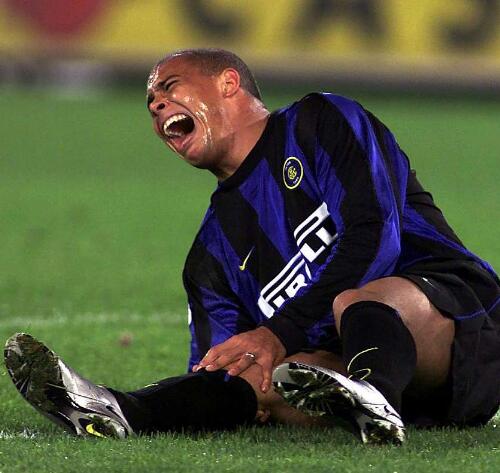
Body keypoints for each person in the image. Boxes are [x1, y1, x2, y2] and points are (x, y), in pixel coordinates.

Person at [5, 48, 500, 445]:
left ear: (228, 82)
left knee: (356, 300)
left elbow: (376, 237)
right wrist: (252, 376)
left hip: (462, 335)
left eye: (169, 87)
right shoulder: (209, 257)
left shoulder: (319, 122)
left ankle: (372, 394)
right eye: (150, 101)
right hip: (346, 377)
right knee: (260, 374)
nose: (155, 105)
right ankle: (118, 410)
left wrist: (278, 333)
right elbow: (226, 366)